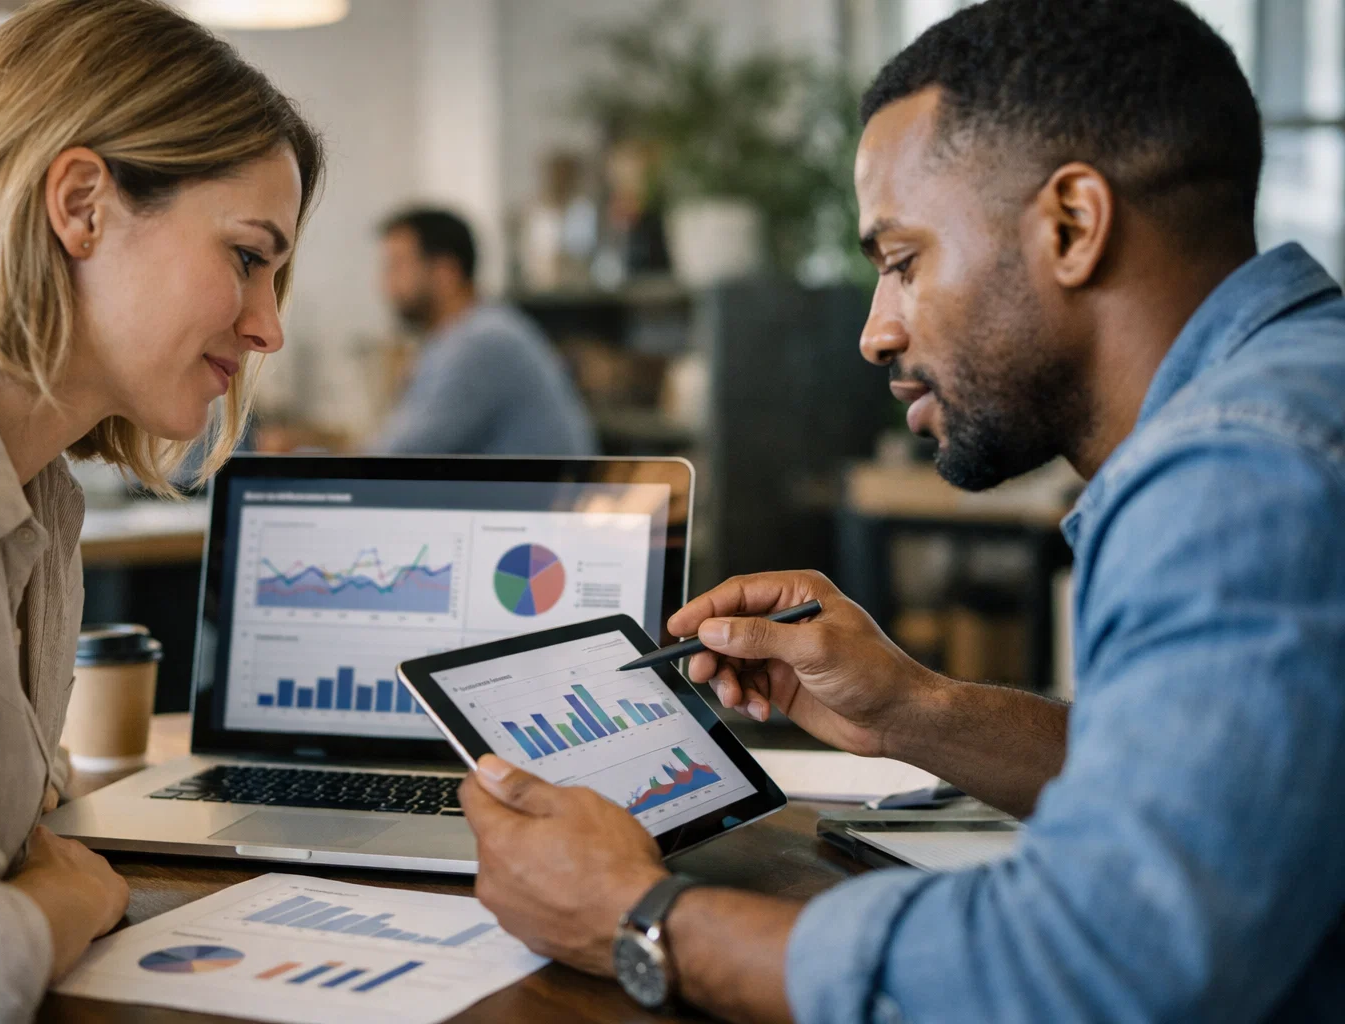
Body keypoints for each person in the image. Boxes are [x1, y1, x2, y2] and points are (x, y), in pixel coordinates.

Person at [456, 1, 1345, 1021]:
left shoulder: (1242, 473)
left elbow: (1096, 970)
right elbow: (1212, 803)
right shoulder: (1294, 404)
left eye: (903, 261)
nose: (877, 332)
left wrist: (636, 914)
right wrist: (910, 708)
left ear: (1071, 225)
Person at [0, 1, 323, 1019]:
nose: (267, 327)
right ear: (81, 204)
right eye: (246, 257)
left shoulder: (32, 484)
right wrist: (74, 897)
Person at [371, 207, 597, 455]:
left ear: (446, 273)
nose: (386, 284)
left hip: (542, 494)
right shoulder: (458, 335)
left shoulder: (481, 342)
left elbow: (399, 456)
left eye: (397, 266)